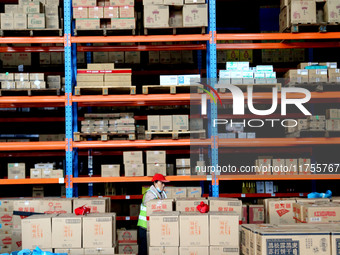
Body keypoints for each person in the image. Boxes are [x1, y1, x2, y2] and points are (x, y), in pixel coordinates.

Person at [137, 173, 169, 255]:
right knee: (144, 250)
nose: (163, 185)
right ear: (155, 183)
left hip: (153, 227)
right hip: (144, 227)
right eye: (161, 183)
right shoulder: (150, 194)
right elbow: (155, 207)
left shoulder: (162, 193)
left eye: (164, 183)